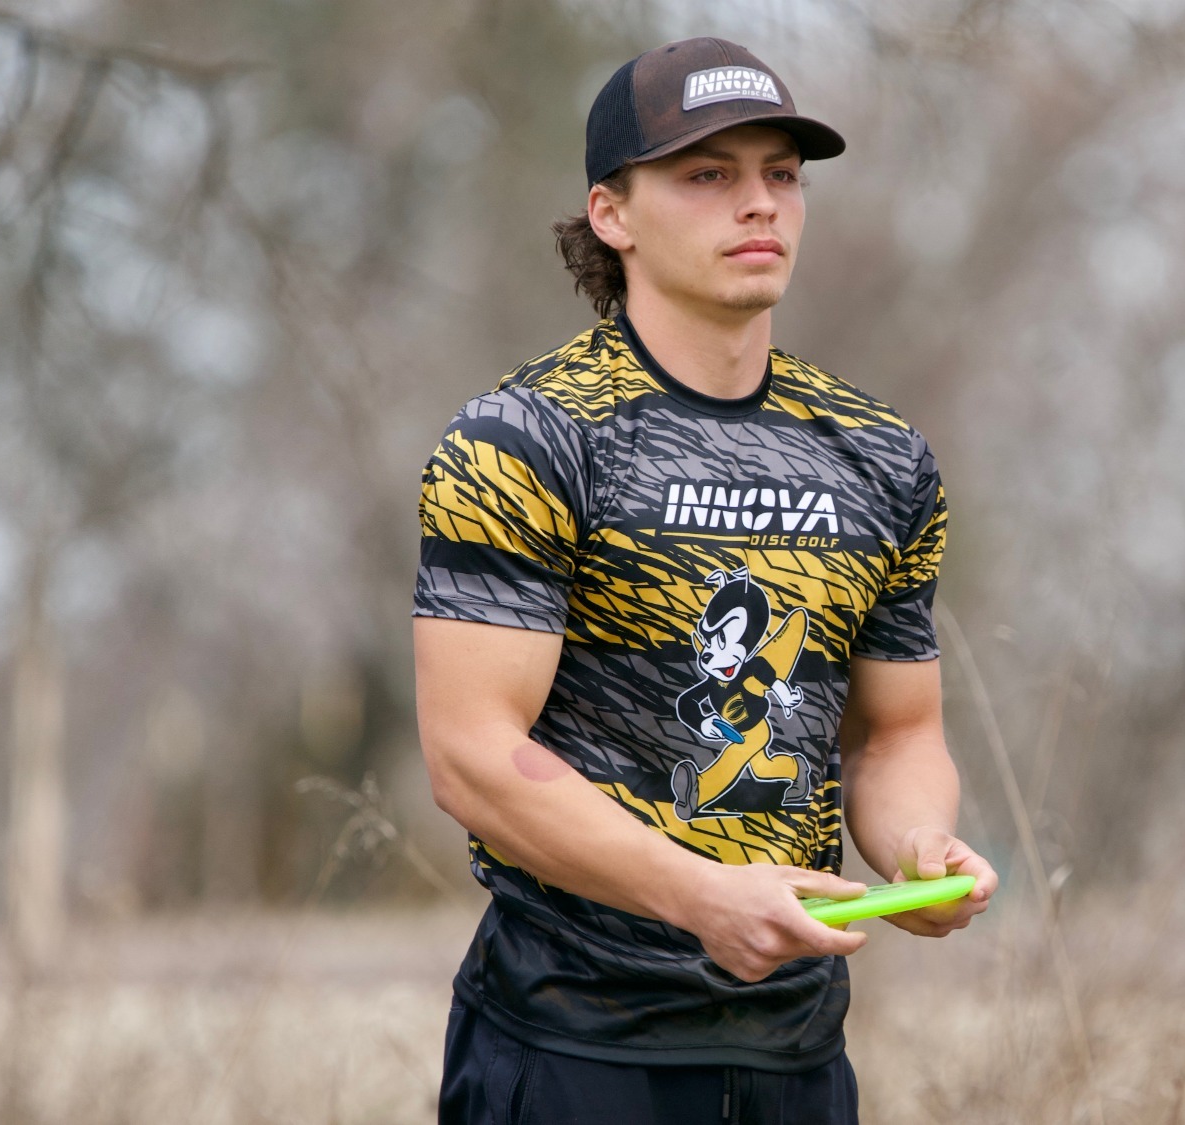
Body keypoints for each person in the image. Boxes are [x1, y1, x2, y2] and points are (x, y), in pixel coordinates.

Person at [411, 37, 997, 1125]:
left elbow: (893, 736)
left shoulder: (878, 455)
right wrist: (699, 897)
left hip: (797, 1053)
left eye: (781, 174)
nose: (758, 205)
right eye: (706, 175)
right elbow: (470, 756)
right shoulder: (524, 442)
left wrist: (916, 848)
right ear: (611, 214)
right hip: (573, 1047)